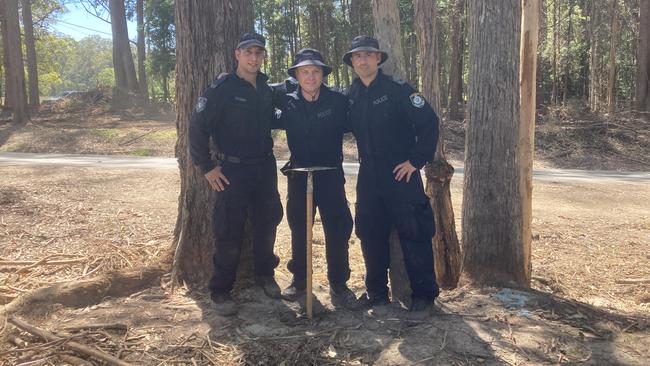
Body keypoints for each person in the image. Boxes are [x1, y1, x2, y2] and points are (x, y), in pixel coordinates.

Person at [343, 35, 440, 312]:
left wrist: (416, 161)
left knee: (414, 232)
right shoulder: (351, 96)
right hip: (368, 175)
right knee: (370, 233)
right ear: (352, 62)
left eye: (368, 55)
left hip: (401, 175)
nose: (362, 60)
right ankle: (375, 293)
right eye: (357, 56)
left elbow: (429, 122)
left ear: (378, 58)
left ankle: (423, 296)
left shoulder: (398, 90)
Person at [189, 32, 283, 314]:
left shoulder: (266, 88)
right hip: (232, 171)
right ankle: (220, 289)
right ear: (237, 55)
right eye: (248, 52)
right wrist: (206, 167)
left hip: (265, 167)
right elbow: (197, 127)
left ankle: (265, 275)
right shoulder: (223, 88)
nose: (254, 58)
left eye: (259, 53)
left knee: (267, 223)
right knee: (228, 229)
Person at [273, 48, 357, 308]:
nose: (310, 77)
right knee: (299, 228)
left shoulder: (339, 101)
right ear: (297, 75)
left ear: (323, 74)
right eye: (305, 72)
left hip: (331, 176)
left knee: (338, 230)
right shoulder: (286, 101)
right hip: (299, 176)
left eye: (315, 71)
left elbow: (360, 124)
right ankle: (299, 281)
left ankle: (339, 284)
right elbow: (260, 90)